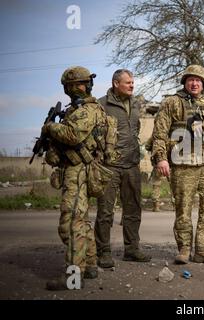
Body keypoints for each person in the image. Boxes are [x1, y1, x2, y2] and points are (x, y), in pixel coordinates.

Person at [151, 64, 204, 265]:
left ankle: (203, 250)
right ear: (185, 82)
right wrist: (161, 158)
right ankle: (184, 249)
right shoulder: (172, 103)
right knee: (183, 209)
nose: (194, 83)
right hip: (182, 164)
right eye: (190, 79)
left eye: (198, 80)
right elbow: (159, 134)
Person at [44, 66, 111, 290]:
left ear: (88, 85)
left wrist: (50, 127)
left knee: (70, 224)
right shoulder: (76, 110)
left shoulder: (87, 110)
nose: (75, 89)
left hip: (79, 171)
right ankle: (90, 265)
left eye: (79, 84)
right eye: (71, 86)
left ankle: (73, 276)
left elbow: (72, 136)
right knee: (81, 222)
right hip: (75, 170)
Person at [95, 69, 151, 269]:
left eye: (133, 82)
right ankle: (103, 252)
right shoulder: (101, 105)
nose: (132, 85)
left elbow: (134, 131)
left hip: (132, 164)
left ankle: (132, 249)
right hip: (109, 166)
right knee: (105, 212)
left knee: (133, 209)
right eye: (128, 82)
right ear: (115, 83)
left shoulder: (136, 104)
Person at [144, 136, 173, 212]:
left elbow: (147, 146)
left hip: (159, 163)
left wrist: (154, 149)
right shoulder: (171, 134)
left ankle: (156, 206)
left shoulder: (155, 137)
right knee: (173, 185)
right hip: (170, 163)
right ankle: (175, 204)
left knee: (156, 185)